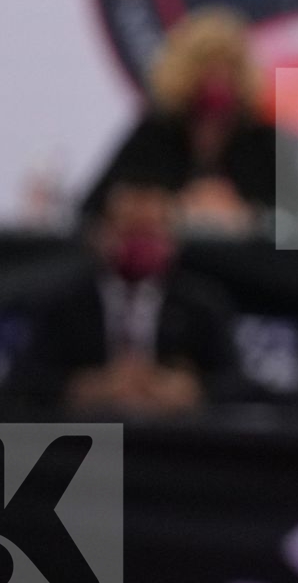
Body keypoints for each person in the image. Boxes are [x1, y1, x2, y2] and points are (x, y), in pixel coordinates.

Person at [17, 177, 239, 414]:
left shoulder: (200, 303)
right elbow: (21, 383)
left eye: (152, 231)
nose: (141, 243)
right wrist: (81, 387)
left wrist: (194, 390)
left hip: (178, 441)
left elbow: (239, 385)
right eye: (131, 230)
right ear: (99, 234)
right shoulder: (62, 303)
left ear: (173, 238)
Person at [83, 7, 279, 231]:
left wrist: (249, 216)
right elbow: (92, 210)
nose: (219, 77)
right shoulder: (154, 134)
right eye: (207, 65)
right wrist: (169, 210)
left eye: (229, 66)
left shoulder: (262, 140)